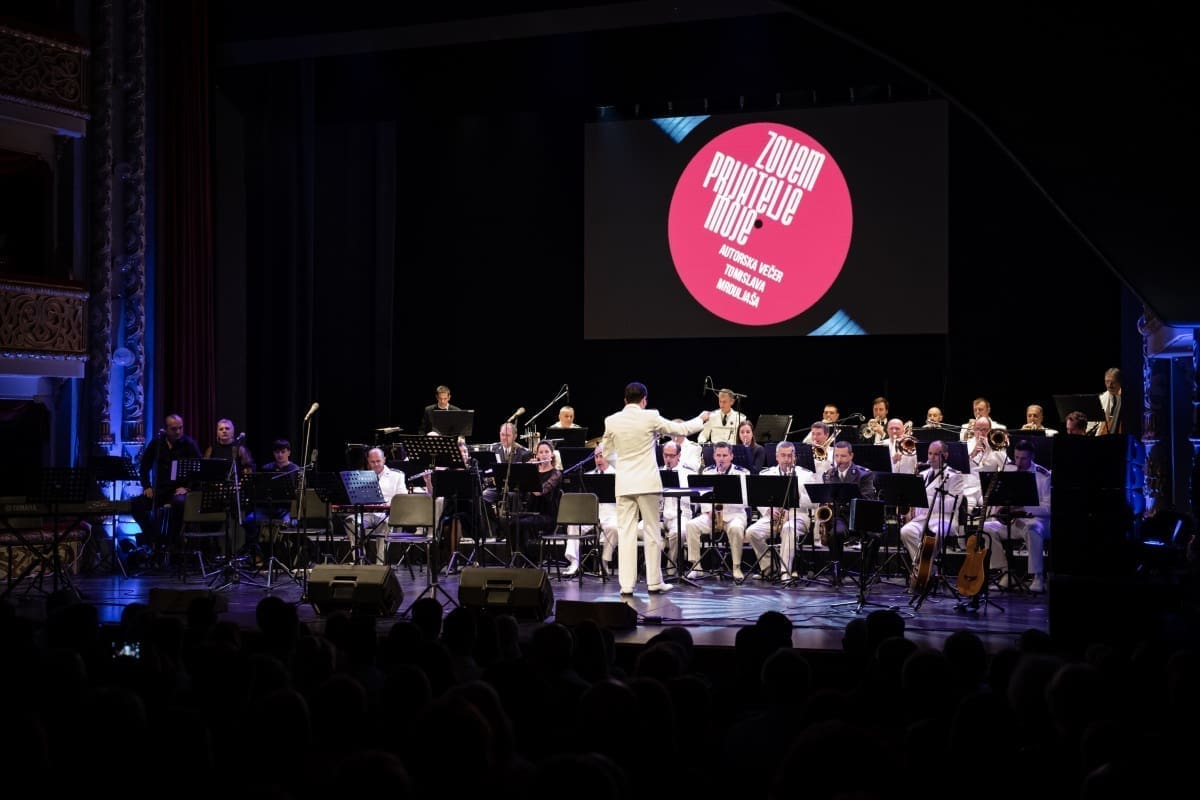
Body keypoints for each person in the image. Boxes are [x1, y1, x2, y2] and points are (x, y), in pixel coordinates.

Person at [601, 381, 708, 595]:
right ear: (644, 400)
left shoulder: (611, 420)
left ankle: (626, 585)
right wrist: (701, 418)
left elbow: (606, 453)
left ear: (625, 400)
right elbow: (681, 429)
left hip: (624, 483)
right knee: (652, 531)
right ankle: (654, 582)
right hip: (647, 482)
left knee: (626, 533)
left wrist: (623, 467)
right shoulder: (650, 416)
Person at [981, 439, 1051, 592]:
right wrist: (999, 506)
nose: (1019, 462)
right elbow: (999, 495)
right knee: (987, 528)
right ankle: (1006, 572)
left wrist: (1022, 507)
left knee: (1033, 529)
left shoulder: (1043, 475)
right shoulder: (1009, 470)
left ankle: (1037, 577)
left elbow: (1048, 508)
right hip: (1013, 521)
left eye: (1024, 458)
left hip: (1037, 521)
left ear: (1032, 456)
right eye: (1017, 457)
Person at [131, 413, 203, 553]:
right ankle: (154, 538)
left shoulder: (189, 444)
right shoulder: (157, 444)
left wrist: (187, 488)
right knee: (136, 504)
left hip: (179, 490)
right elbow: (144, 466)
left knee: (179, 504)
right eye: (174, 429)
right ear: (165, 429)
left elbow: (199, 470)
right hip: (161, 490)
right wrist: (147, 486)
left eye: (180, 428)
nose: (178, 432)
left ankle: (171, 543)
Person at [746, 441, 817, 580]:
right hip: (774, 516)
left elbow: (814, 503)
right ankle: (769, 566)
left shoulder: (806, 475)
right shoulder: (766, 474)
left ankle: (786, 572)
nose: (786, 459)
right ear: (777, 457)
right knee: (751, 532)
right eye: (783, 455)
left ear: (795, 457)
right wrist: (768, 510)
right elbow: (759, 498)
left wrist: (797, 496)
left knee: (788, 528)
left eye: (790, 456)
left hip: (798, 515)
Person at [685, 440, 752, 581]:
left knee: (735, 528)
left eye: (725, 455)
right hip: (711, 515)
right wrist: (709, 511)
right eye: (718, 455)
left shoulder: (742, 473)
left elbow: (746, 500)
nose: (721, 459)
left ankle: (736, 567)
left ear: (731, 456)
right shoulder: (707, 472)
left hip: (734, 515)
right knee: (691, 525)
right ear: (714, 456)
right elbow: (702, 495)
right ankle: (696, 567)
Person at [898, 440, 966, 573]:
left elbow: (952, 505)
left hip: (944, 518)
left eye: (936, 454)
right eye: (930, 454)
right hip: (923, 518)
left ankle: (923, 571)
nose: (931, 457)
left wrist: (925, 500)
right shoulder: (923, 475)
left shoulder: (955, 476)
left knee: (935, 534)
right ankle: (927, 568)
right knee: (906, 531)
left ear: (945, 455)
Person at [819, 440, 877, 585]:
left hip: (860, 516)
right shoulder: (828, 475)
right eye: (837, 456)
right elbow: (824, 499)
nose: (840, 460)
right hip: (841, 517)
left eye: (843, 456)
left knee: (875, 536)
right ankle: (837, 571)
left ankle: (867, 573)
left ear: (851, 456)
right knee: (835, 533)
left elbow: (868, 499)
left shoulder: (864, 475)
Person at [342, 446, 407, 563]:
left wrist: (388, 504)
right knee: (350, 522)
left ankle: (380, 564)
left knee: (384, 524)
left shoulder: (397, 476)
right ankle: (359, 561)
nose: (376, 464)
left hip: (386, 515)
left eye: (378, 461)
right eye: (372, 462)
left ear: (384, 460)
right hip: (367, 514)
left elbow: (402, 498)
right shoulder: (361, 476)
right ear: (368, 461)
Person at [563, 445, 616, 578]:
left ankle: (604, 561)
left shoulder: (617, 475)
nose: (598, 459)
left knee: (614, 528)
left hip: (610, 514)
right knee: (573, 524)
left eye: (601, 456)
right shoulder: (587, 476)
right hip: (591, 514)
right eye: (596, 457)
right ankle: (574, 563)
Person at [242, 438, 300, 562]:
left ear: (288, 452)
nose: (280, 455)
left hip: (286, 509)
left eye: (283, 452)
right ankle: (257, 554)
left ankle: (284, 558)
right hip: (267, 508)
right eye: (277, 452)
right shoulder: (266, 468)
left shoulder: (295, 469)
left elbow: (299, 495)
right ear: (274, 453)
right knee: (249, 520)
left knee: (291, 524)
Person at [504, 440, 562, 562]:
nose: (544, 454)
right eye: (541, 452)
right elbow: (519, 488)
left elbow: (540, 491)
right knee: (511, 523)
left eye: (547, 452)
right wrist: (526, 469)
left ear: (552, 454)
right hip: (531, 512)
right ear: (537, 455)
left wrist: (530, 473)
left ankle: (529, 559)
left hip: (547, 515)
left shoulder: (556, 474)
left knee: (521, 524)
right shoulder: (533, 470)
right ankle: (518, 557)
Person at [658, 439, 696, 576]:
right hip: (660, 516)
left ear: (679, 456)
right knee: (640, 529)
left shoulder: (688, 474)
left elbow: (694, 500)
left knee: (678, 532)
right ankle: (657, 557)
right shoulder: (656, 473)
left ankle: (671, 563)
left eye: (671, 456)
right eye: (665, 455)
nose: (668, 459)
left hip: (680, 514)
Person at [481, 422, 532, 516]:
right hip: (497, 488)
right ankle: (493, 523)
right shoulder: (493, 449)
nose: (504, 438)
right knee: (482, 496)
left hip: (515, 490)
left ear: (515, 436)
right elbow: (487, 471)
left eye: (508, 435)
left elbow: (526, 479)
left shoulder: (525, 453)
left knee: (511, 496)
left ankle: (512, 523)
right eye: (502, 435)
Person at [1098, 367, 1125, 435]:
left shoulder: (1127, 399)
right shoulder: (1102, 398)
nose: (1109, 385)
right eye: (1107, 382)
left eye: (1113, 382)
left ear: (1120, 382)